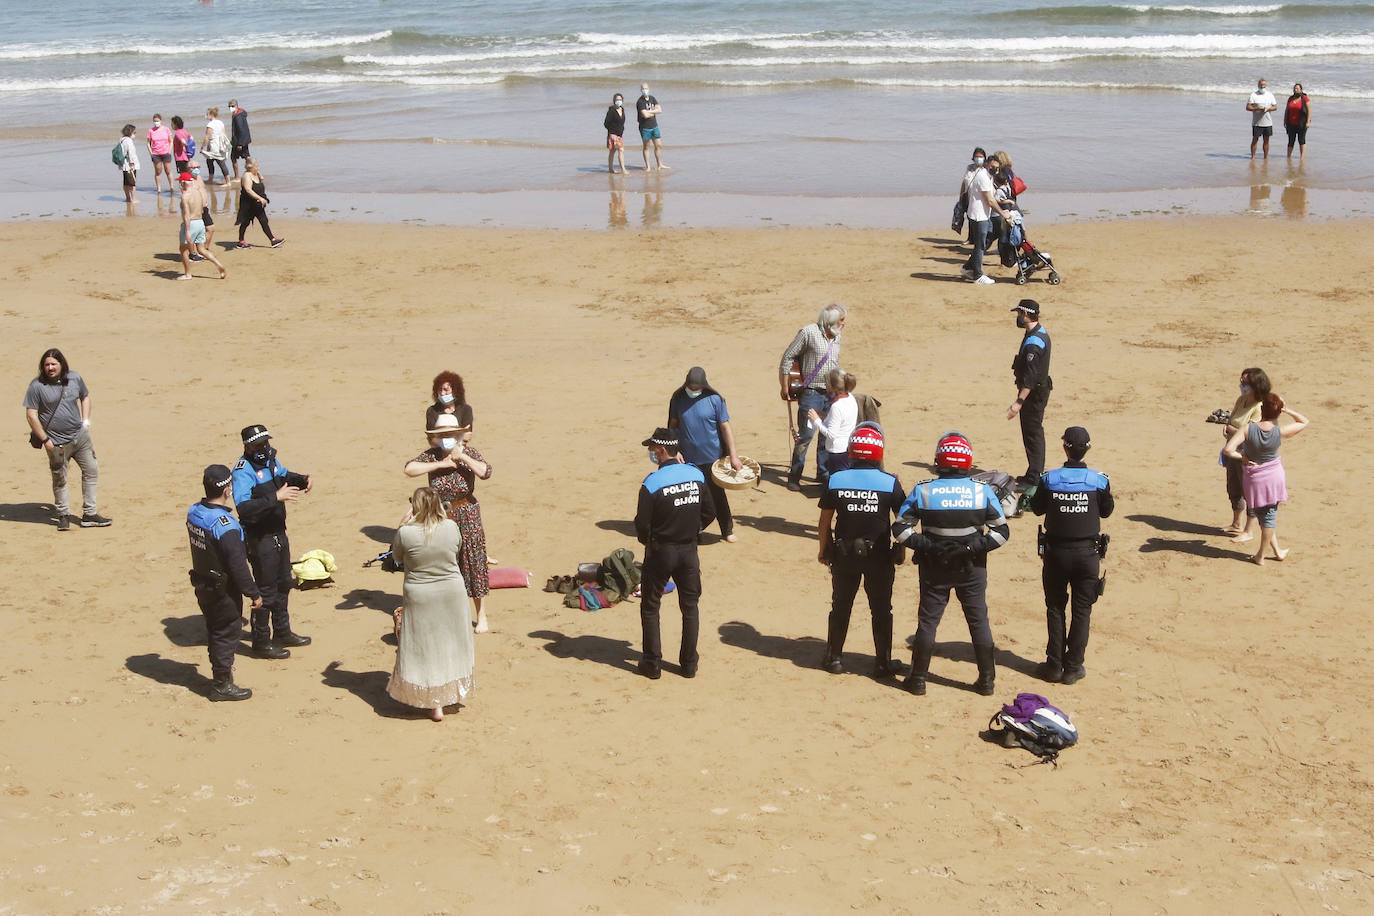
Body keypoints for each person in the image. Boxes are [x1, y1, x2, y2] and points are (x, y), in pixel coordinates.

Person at [892, 432, 1010, 696]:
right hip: (973, 568)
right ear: (968, 461)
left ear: (938, 460)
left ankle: (918, 679)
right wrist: (970, 548)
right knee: (978, 621)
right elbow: (1001, 533)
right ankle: (987, 681)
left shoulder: (923, 490)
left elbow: (900, 530)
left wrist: (929, 546)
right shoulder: (982, 492)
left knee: (928, 622)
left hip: (934, 566)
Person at [817, 423, 907, 679]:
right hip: (878, 556)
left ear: (851, 452)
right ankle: (882, 663)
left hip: (844, 554)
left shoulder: (836, 480)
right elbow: (903, 521)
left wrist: (824, 549)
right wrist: (900, 550)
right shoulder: (890, 483)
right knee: (881, 609)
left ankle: (834, 658)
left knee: (840, 606)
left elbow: (824, 522)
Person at [1029, 427, 1114, 686]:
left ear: (1064, 448)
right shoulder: (1099, 480)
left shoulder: (1049, 479)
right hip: (1087, 555)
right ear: (1088, 448)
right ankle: (1073, 667)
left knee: (1055, 608)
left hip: (1055, 554)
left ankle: (1054, 665)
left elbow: (1037, 508)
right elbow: (1106, 511)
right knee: (1082, 611)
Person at [388, 486, 476, 721]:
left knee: (424, 646)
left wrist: (402, 525)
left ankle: (433, 704)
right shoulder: (452, 527)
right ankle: (447, 695)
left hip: (420, 595)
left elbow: (396, 558)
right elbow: (456, 551)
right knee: (450, 642)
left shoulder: (406, 533)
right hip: (451, 592)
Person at [635, 428, 715, 679]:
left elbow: (642, 526)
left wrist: (653, 540)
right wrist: (692, 529)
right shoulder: (696, 475)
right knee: (690, 607)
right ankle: (689, 664)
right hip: (689, 551)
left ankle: (652, 663)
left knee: (650, 606)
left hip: (661, 551)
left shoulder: (652, 483)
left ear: (661, 451)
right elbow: (710, 512)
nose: (651, 454)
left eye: (652, 450)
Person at [404, 414, 494, 633]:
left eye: (450, 435)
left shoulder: (469, 453)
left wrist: (463, 457)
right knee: (443, 562)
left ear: (458, 435)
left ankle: (481, 615)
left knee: (473, 561)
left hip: (467, 512)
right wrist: (440, 464)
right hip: (440, 514)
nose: (446, 438)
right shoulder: (431, 456)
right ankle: (449, 613)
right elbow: (409, 469)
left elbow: (485, 472)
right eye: (442, 435)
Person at [231, 424, 313, 658]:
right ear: (247, 446)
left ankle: (282, 631)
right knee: (266, 590)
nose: (264, 448)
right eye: (258, 445)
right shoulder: (242, 471)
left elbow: (283, 476)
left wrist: (303, 480)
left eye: (265, 443)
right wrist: (275, 497)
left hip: (278, 533)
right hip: (259, 538)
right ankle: (261, 641)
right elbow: (244, 508)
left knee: (284, 583)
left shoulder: (270, 460)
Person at [186, 464, 262, 702]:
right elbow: (237, 564)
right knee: (226, 633)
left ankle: (221, 676)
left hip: (202, 583)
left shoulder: (195, 512)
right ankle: (222, 684)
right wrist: (253, 593)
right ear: (227, 489)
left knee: (215, 629)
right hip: (222, 589)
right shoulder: (225, 525)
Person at [22, 348, 112, 531]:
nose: (50, 368)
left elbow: (85, 397)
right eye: (46, 364)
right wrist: (45, 439)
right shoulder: (36, 386)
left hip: (80, 437)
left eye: (53, 364)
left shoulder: (74, 378)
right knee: (60, 479)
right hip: (56, 442)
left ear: (61, 365)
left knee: (91, 471)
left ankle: (90, 513)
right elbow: (31, 415)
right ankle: (63, 515)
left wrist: (85, 422)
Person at [1224, 394, 1309, 566]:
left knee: (1265, 515)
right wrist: (1287, 410)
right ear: (1278, 414)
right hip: (1273, 477)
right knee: (1268, 516)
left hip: (1254, 478)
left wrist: (1243, 458)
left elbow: (1228, 450)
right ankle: (1261, 556)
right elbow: (1304, 421)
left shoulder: (1248, 429)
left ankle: (1276, 552)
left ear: (1261, 410)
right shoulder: (1279, 431)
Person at [667, 366, 742, 543]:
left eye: (697, 388)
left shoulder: (715, 399)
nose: (693, 391)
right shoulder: (677, 399)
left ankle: (727, 529)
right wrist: (674, 451)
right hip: (687, 459)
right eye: (691, 387)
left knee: (717, 496)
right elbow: (672, 426)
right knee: (691, 497)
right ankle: (695, 529)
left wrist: (733, 455)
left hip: (712, 458)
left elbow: (725, 428)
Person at [779, 304, 846, 491]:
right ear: (830, 320)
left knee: (826, 435)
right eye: (841, 320)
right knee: (806, 435)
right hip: (811, 393)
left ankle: (823, 473)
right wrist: (784, 384)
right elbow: (788, 356)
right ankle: (794, 476)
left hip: (831, 394)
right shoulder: (808, 333)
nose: (843, 324)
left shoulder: (837, 335)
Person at [1007, 299, 1053, 486]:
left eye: (1019, 313)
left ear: (1026, 314)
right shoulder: (1038, 332)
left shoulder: (1034, 342)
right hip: (1038, 391)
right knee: (1032, 433)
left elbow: (1031, 378)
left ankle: (1034, 477)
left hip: (1034, 395)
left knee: (1033, 434)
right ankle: (1033, 472)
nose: (1018, 317)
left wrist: (1019, 402)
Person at [1221, 367, 1271, 536]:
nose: (1242, 385)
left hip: (1247, 454)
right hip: (1233, 451)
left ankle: (1249, 529)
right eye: (1241, 381)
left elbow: (1251, 433)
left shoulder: (1259, 407)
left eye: (1245, 383)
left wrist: (1231, 430)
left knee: (1248, 490)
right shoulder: (1241, 400)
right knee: (1233, 486)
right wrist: (1228, 428)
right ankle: (1236, 523)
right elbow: (1232, 420)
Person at [960, 154, 1009, 284]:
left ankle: (967, 268)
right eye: (993, 167)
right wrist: (1003, 213)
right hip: (979, 216)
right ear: (987, 164)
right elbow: (990, 200)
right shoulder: (983, 177)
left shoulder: (987, 176)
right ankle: (978, 275)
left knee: (983, 243)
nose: (995, 170)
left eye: (997, 168)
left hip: (979, 214)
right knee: (980, 246)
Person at [807, 369, 858, 477]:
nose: (825, 386)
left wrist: (816, 420)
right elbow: (842, 420)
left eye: (826, 384)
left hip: (837, 452)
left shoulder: (836, 406)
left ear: (832, 387)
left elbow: (831, 435)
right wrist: (823, 415)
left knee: (837, 482)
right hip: (849, 448)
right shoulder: (851, 398)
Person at [177, 171, 226, 280]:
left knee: (183, 250)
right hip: (200, 222)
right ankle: (219, 265)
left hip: (192, 222)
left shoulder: (185, 196)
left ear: (183, 183)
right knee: (201, 249)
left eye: (180, 182)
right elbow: (204, 206)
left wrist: (187, 230)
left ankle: (188, 274)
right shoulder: (197, 192)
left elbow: (186, 214)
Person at [234, 157, 283, 249]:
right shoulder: (247, 176)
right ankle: (241, 241)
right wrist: (260, 198)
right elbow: (248, 190)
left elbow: (262, 178)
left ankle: (273, 240)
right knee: (245, 222)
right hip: (248, 204)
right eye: (256, 166)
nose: (258, 167)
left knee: (264, 220)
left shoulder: (255, 174)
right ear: (250, 167)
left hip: (257, 204)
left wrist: (258, 172)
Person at [955, 147, 986, 242]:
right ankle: (970, 238)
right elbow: (964, 182)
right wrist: (961, 194)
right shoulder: (969, 168)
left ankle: (978, 238)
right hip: (968, 196)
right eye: (976, 156)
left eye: (980, 157)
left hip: (979, 198)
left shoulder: (985, 170)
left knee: (978, 219)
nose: (978, 158)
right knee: (969, 216)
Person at [636, 82, 667, 171]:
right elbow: (645, 115)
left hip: (654, 126)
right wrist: (653, 111)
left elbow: (660, 110)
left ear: (649, 89)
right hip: (645, 127)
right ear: (641, 90)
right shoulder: (640, 102)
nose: (644, 90)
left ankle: (660, 164)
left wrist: (649, 112)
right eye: (643, 89)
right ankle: (648, 166)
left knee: (658, 145)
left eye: (646, 88)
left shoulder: (652, 98)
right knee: (646, 147)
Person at [1247, 78, 1278, 160]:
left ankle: (1266, 157)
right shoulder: (1253, 95)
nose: (1262, 86)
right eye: (1261, 85)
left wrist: (1268, 109)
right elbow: (1248, 107)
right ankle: (1253, 157)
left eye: (1264, 85)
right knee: (1255, 139)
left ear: (1266, 85)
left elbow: (1275, 107)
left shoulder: (1270, 95)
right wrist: (1256, 109)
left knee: (1266, 140)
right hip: (1257, 122)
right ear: (1258, 85)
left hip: (1267, 122)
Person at [147, 114, 175, 195]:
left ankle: (171, 187)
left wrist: (169, 151)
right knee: (158, 171)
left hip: (166, 153)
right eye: (155, 121)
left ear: (161, 121)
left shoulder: (166, 129)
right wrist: (151, 153)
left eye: (157, 121)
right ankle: (159, 188)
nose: (156, 123)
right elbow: (148, 143)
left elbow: (171, 141)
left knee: (168, 170)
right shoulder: (151, 131)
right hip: (156, 154)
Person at [203, 106, 231, 184]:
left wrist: (202, 147)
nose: (206, 115)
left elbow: (207, 136)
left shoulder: (210, 124)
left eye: (207, 114)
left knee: (219, 162)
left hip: (213, 145)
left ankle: (228, 182)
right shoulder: (220, 122)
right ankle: (211, 179)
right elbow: (224, 134)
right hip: (220, 144)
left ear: (211, 114)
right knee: (210, 161)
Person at [1285, 83, 1311, 160]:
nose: (1295, 90)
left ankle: (1302, 157)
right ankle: (1288, 157)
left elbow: (1309, 110)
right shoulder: (1290, 98)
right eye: (1294, 88)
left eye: (1297, 88)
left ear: (1301, 90)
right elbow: (1287, 110)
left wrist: (1308, 121)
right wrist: (1285, 120)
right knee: (1291, 141)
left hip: (1302, 123)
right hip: (1291, 123)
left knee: (1301, 140)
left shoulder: (1305, 98)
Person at [228, 99, 252, 182]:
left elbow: (241, 130)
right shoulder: (240, 113)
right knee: (246, 157)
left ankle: (237, 177)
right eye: (229, 106)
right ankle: (254, 172)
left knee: (233, 157)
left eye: (232, 106)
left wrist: (240, 144)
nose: (230, 108)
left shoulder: (238, 116)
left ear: (236, 106)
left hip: (240, 141)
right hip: (243, 140)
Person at [116, 123, 140, 203]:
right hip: (130, 165)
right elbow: (131, 153)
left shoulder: (122, 139)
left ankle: (128, 198)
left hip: (123, 164)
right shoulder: (129, 141)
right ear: (130, 132)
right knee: (132, 183)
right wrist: (132, 164)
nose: (134, 134)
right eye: (134, 132)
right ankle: (133, 198)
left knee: (126, 182)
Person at [604, 93, 626, 173]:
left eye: (620, 100)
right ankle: (623, 169)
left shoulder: (622, 109)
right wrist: (611, 133)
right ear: (614, 101)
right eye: (617, 100)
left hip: (620, 135)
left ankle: (611, 169)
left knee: (614, 151)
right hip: (613, 135)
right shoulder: (611, 111)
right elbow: (606, 123)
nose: (618, 101)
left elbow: (621, 122)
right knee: (620, 150)